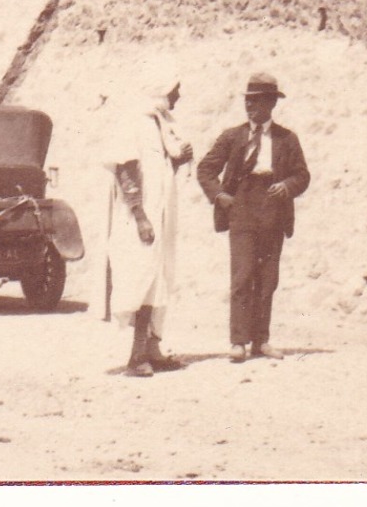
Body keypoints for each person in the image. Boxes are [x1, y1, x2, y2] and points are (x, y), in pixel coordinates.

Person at [196, 73, 311, 362]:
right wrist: (220, 196)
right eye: (248, 101)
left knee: (268, 278)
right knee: (243, 275)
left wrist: (286, 186)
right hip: (242, 207)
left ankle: (261, 341)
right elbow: (206, 169)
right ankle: (238, 342)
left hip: (274, 207)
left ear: (272, 103)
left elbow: (302, 175)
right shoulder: (232, 137)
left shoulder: (287, 138)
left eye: (257, 101)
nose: (250, 107)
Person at [105, 71, 193, 377]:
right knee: (143, 279)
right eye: (175, 89)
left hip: (163, 214)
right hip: (141, 218)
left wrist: (179, 160)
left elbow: (160, 167)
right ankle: (135, 356)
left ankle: (152, 349)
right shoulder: (134, 122)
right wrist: (140, 216)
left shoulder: (162, 123)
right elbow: (125, 170)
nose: (179, 95)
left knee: (162, 278)